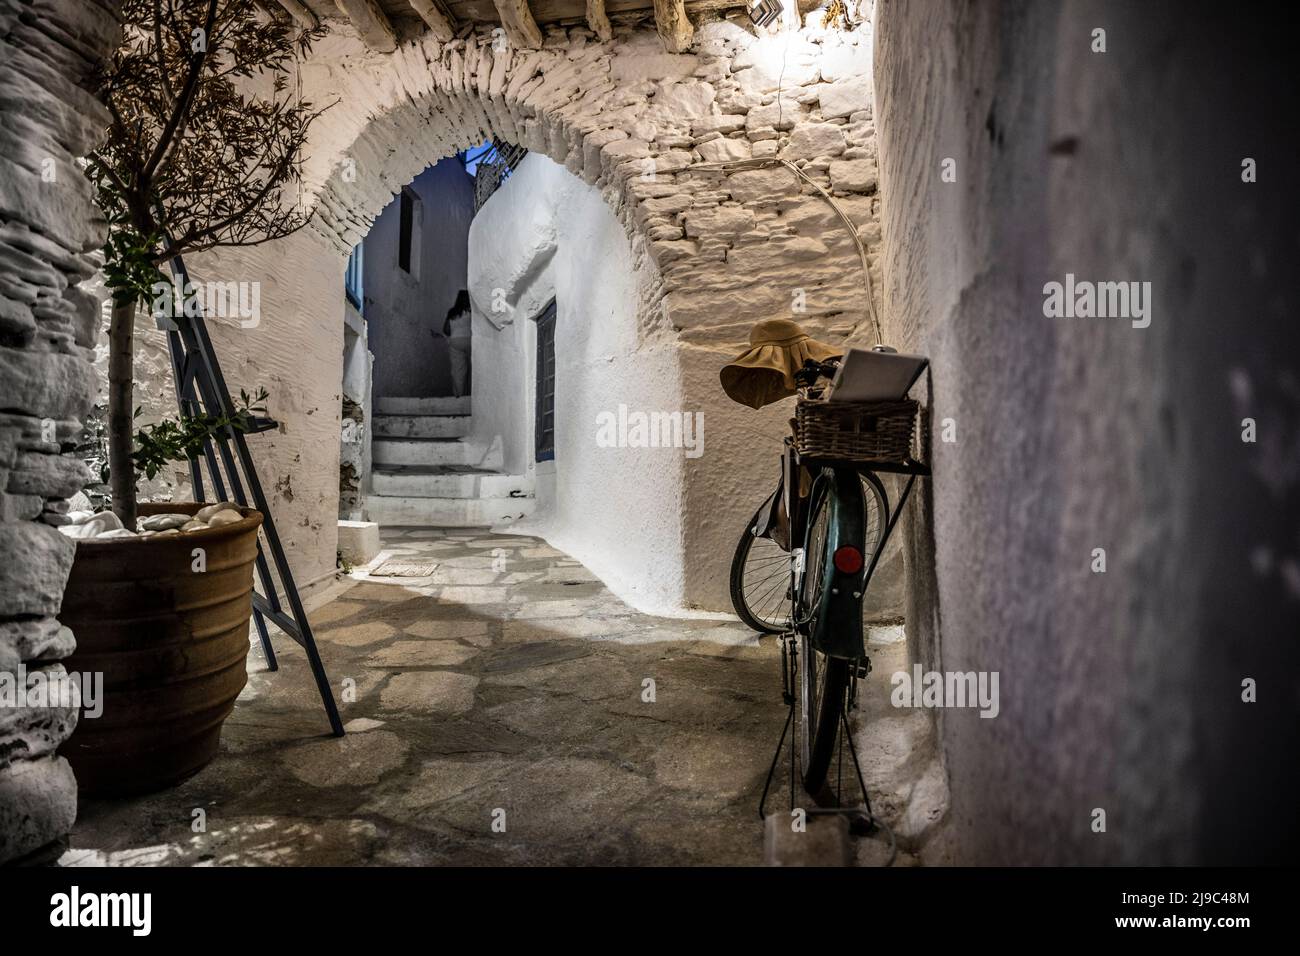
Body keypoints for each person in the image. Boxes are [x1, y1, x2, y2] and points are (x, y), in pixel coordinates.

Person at [443, 289, 471, 398]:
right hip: (470, 340)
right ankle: (473, 396)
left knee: (458, 370)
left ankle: (459, 396)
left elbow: (446, 330)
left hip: (455, 341)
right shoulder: (471, 311)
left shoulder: (451, 312)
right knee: (473, 367)